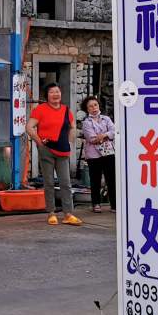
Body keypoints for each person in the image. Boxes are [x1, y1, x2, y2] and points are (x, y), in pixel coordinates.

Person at [27, 84, 82, 226]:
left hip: (63, 150)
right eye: (52, 92)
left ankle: (68, 214)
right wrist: (39, 142)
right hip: (47, 149)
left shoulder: (66, 110)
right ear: (47, 95)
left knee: (66, 182)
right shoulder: (40, 109)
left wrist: (69, 142)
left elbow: (73, 127)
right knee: (49, 182)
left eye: (57, 91)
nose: (55, 94)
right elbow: (29, 127)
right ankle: (51, 212)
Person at [81, 96, 116, 214]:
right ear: (87, 109)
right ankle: (96, 203)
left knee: (111, 179)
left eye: (95, 105)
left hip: (108, 152)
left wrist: (102, 136)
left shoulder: (106, 119)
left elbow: (114, 131)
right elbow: (91, 138)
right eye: (90, 106)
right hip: (93, 154)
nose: (94, 108)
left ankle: (114, 205)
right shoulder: (86, 122)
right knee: (95, 180)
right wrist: (106, 136)